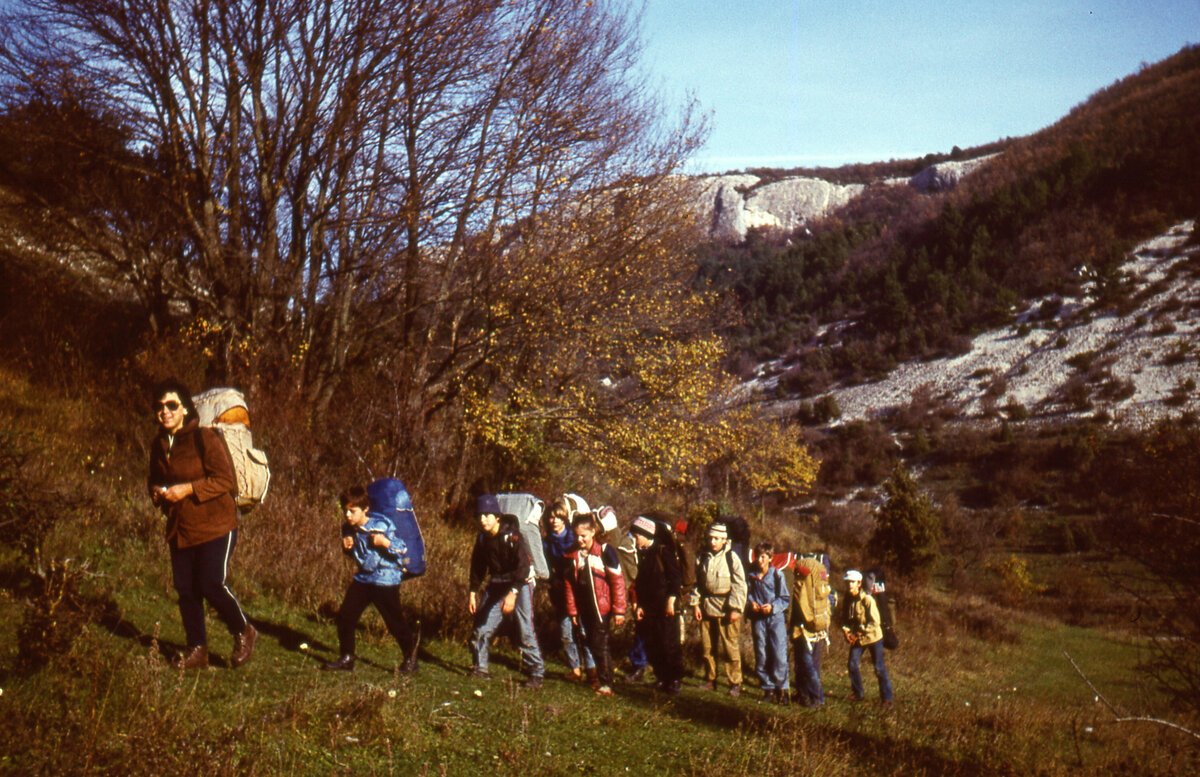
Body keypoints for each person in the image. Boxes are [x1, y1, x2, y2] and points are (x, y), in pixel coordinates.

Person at [147, 379, 256, 669]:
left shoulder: (204, 438)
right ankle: (197, 650)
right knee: (186, 590)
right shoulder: (159, 444)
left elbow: (224, 480)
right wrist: (159, 493)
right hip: (180, 528)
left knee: (210, 584)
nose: (165, 412)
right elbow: (153, 481)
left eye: (172, 405)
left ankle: (244, 631)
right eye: (160, 407)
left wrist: (187, 489)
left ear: (185, 409)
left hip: (216, 525)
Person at [322, 486, 419, 673]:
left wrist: (385, 543)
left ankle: (411, 659)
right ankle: (347, 658)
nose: (347, 515)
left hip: (385, 579)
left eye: (352, 511)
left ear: (365, 509)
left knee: (394, 622)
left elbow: (402, 549)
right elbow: (358, 555)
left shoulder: (382, 525)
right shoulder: (348, 528)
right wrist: (347, 547)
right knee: (345, 617)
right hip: (364, 578)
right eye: (345, 511)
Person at [468, 494, 545, 688]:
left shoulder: (511, 536)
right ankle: (480, 669)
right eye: (480, 516)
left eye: (488, 515)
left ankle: (536, 672)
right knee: (482, 626)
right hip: (497, 584)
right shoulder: (482, 539)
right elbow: (477, 567)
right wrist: (472, 592)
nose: (483, 520)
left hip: (520, 583)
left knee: (524, 628)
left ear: (498, 517)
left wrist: (513, 593)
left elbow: (523, 567)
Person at [563, 512, 627, 696]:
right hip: (585, 609)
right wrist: (573, 611)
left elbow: (617, 581)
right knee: (591, 643)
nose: (579, 539)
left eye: (583, 536)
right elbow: (569, 586)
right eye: (576, 535)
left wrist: (619, 610)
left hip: (602, 609)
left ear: (593, 532)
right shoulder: (572, 555)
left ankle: (606, 684)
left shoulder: (606, 551)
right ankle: (603, 679)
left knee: (600, 644)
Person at [691, 522, 748, 697]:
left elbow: (740, 585)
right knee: (708, 647)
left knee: (730, 647)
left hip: (726, 608)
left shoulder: (732, 558)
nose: (713, 541)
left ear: (724, 539)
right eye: (710, 538)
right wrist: (695, 604)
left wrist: (736, 609)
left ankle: (735, 682)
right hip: (707, 607)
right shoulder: (702, 557)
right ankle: (710, 679)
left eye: (716, 538)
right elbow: (696, 584)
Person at [630, 515, 684, 695]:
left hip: (666, 607)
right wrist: (639, 605)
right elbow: (640, 583)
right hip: (650, 608)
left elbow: (676, 578)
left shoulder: (663, 551)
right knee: (653, 644)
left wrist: (671, 600)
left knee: (669, 643)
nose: (635, 538)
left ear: (645, 534)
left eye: (637, 535)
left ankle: (674, 680)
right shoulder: (641, 554)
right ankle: (662, 678)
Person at [545, 496, 595, 683]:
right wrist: (551, 579)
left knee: (584, 631)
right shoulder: (546, 542)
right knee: (566, 632)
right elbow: (543, 565)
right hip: (560, 592)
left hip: (580, 591)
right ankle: (575, 669)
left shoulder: (574, 538)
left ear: (566, 519)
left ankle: (592, 669)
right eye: (551, 517)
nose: (555, 521)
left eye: (559, 517)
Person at [841, 569, 894, 706]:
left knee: (878, 668)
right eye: (847, 582)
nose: (849, 585)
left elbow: (874, 622)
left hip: (874, 637)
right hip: (859, 638)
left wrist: (859, 632)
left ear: (859, 583)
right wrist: (846, 632)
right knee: (852, 664)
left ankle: (887, 699)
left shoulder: (868, 599)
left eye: (852, 582)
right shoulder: (848, 600)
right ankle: (858, 694)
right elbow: (845, 620)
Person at [747, 541, 790, 704]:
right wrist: (752, 603)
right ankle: (767, 689)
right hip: (758, 619)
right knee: (761, 653)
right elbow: (748, 594)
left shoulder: (778, 575)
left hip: (775, 619)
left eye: (763, 557)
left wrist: (772, 607)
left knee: (779, 653)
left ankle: (782, 690)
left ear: (770, 558)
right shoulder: (751, 575)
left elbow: (785, 599)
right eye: (757, 556)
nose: (760, 560)